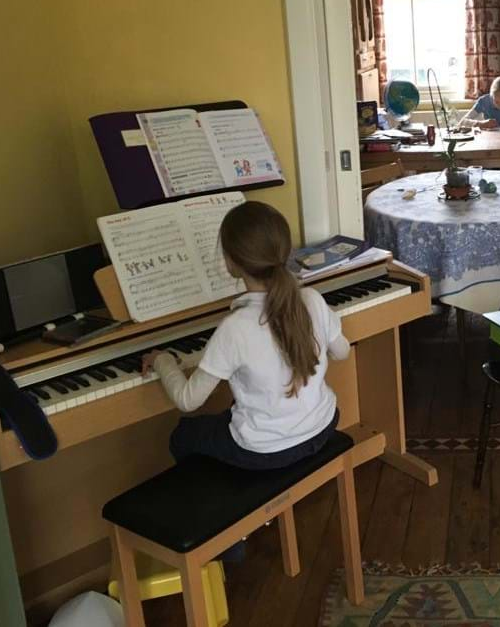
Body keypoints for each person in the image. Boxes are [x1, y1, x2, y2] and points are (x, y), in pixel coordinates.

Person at [141, 201, 350, 472]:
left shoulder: (235, 327)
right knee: (231, 411)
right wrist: (324, 325)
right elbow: (342, 352)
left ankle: (225, 508)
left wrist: (162, 360)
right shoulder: (310, 298)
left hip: (266, 453)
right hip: (323, 425)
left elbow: (187, 400)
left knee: (182, 435)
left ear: (231, 263)